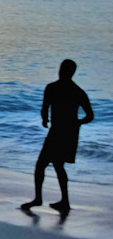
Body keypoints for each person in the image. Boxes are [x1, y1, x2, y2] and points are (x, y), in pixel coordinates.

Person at [21, 60, 93, 214]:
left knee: (41, 165)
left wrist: (45, 120)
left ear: (62, 70)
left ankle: (39, 198)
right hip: (69, 133)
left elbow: (44, 108)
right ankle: (64, 201)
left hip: (56, 132)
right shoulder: (78, 91)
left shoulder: (52, 87)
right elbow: (90, 116)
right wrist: (77, 123)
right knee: (59, 166)